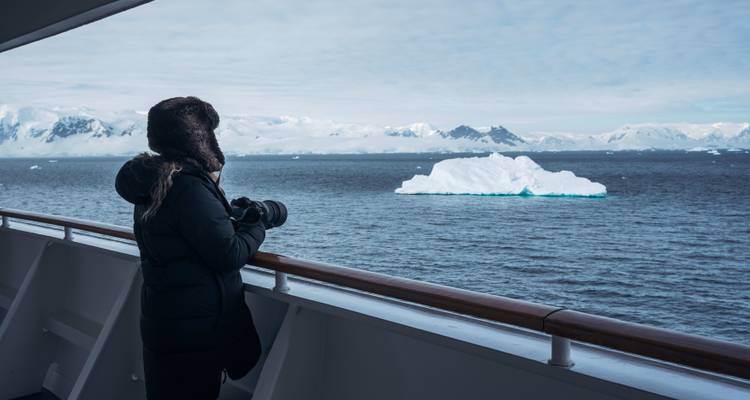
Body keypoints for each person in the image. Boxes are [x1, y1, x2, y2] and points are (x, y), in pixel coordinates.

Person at [115, 96, 265, 399]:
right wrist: (258, 223)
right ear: (198, 137)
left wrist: (225, 216)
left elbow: (187, 234)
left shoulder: (155, 181)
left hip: (168, 321)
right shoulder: (187, 186)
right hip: (195, 333)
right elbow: (229, 254)